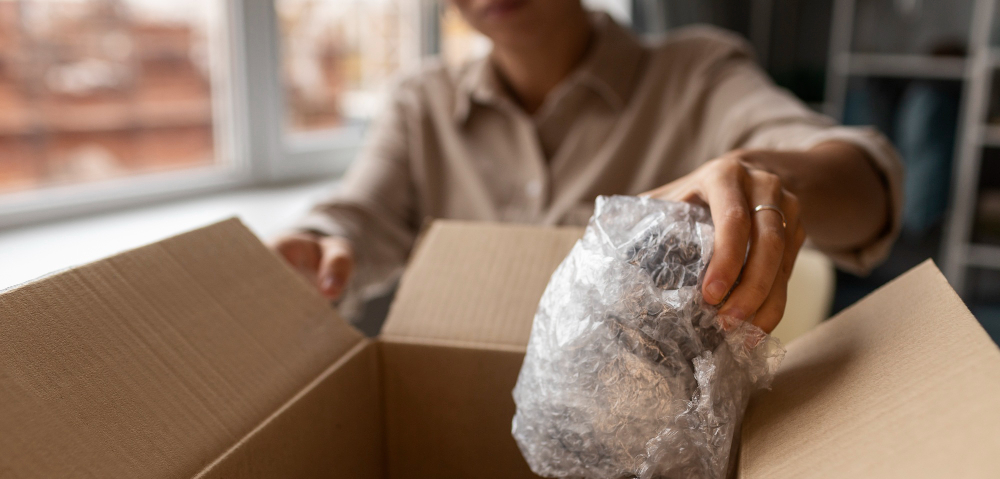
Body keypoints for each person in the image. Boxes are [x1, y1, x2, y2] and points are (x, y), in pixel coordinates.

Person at [271, 0, 901, 334]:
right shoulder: (421, 103)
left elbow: (868, 184)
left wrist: (756, 173)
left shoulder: (696, 73)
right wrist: (317, 250)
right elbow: (356, 220)